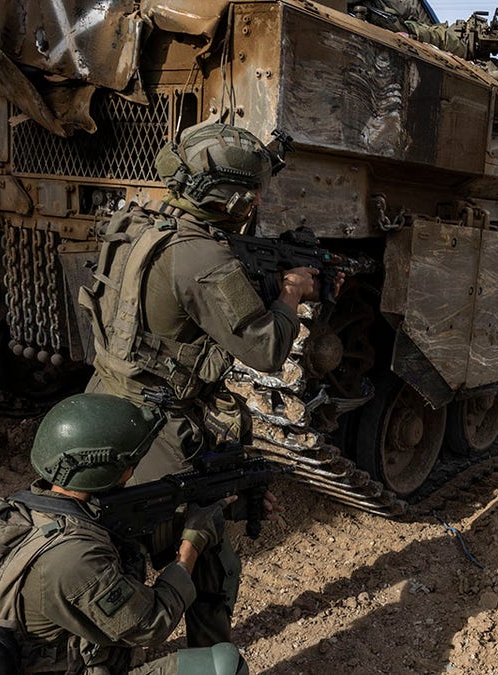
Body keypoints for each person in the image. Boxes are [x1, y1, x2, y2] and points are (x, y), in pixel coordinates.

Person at [78, 118, 319, 647]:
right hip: (159, 428)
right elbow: (266, 349)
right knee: (205, 555)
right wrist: (291, 294)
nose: (255, 203)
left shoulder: (137, 223)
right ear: (232, 200)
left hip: (103, 402)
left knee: (118, 547)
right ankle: (206, 656)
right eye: (252, 193)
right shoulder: (204, 256)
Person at [0, 393, 250, 675]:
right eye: (132, 461)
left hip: (11, 657)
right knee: (224, 666)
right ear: (113, 469)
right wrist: (192, 543)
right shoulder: (73, 559)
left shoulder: (22, 512)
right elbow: (153, 623)